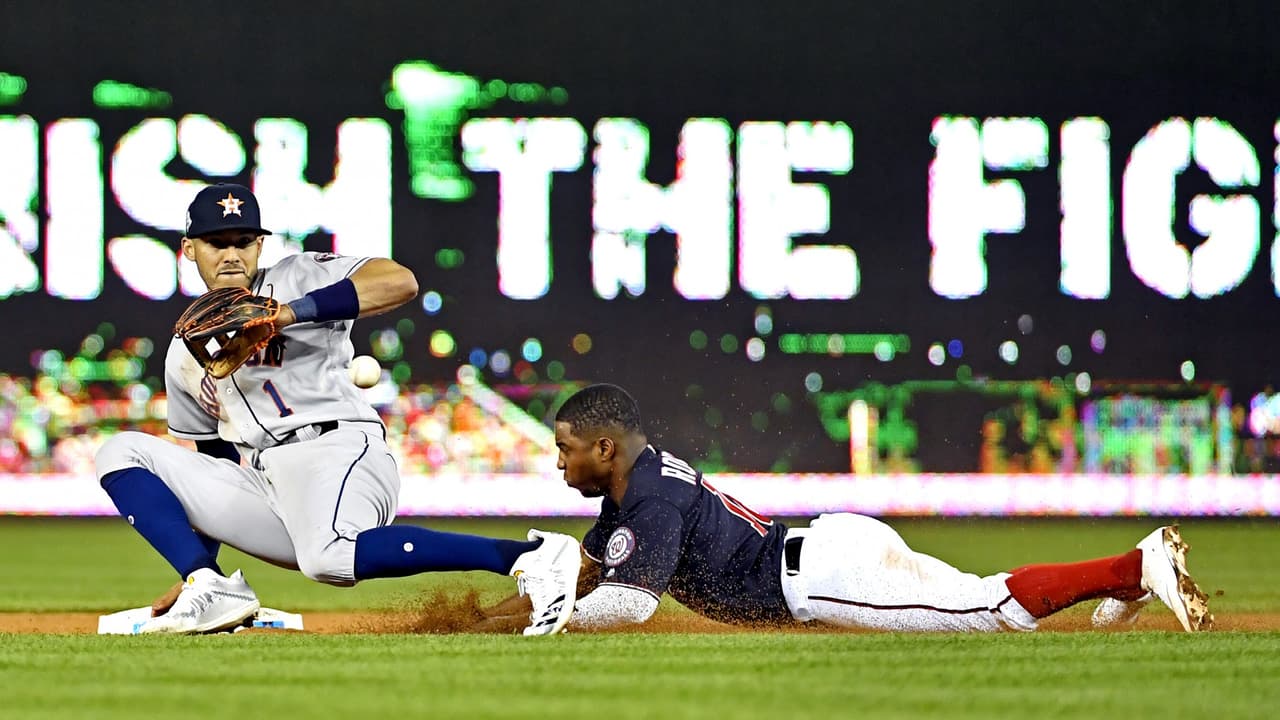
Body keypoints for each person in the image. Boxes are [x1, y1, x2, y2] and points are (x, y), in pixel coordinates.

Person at [94, 183, 579, 636]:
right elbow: (214, 461)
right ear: (189, 249)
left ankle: (530, 556)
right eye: (216, 243)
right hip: (268, 483)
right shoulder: (184, 354)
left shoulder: (297, 276)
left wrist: (290, 313)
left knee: (327, 560)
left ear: (260, 246)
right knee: (120, 451)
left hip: (338, 449)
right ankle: (211, 588)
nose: (231, 254)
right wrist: (201, 570)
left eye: (243, 241)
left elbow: (400, 281)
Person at [480, 383, 1213, 634]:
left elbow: (631, 604)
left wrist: (550, 622)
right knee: (974, 596)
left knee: (987, 611)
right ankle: (1127, 583)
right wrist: (490, 620)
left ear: (605, 447)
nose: (559, 460)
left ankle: (1134, 566)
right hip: (828, 547)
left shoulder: (651, 500)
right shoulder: (636, 487)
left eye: (566, 447)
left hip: (819, 579)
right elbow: (585, 570)